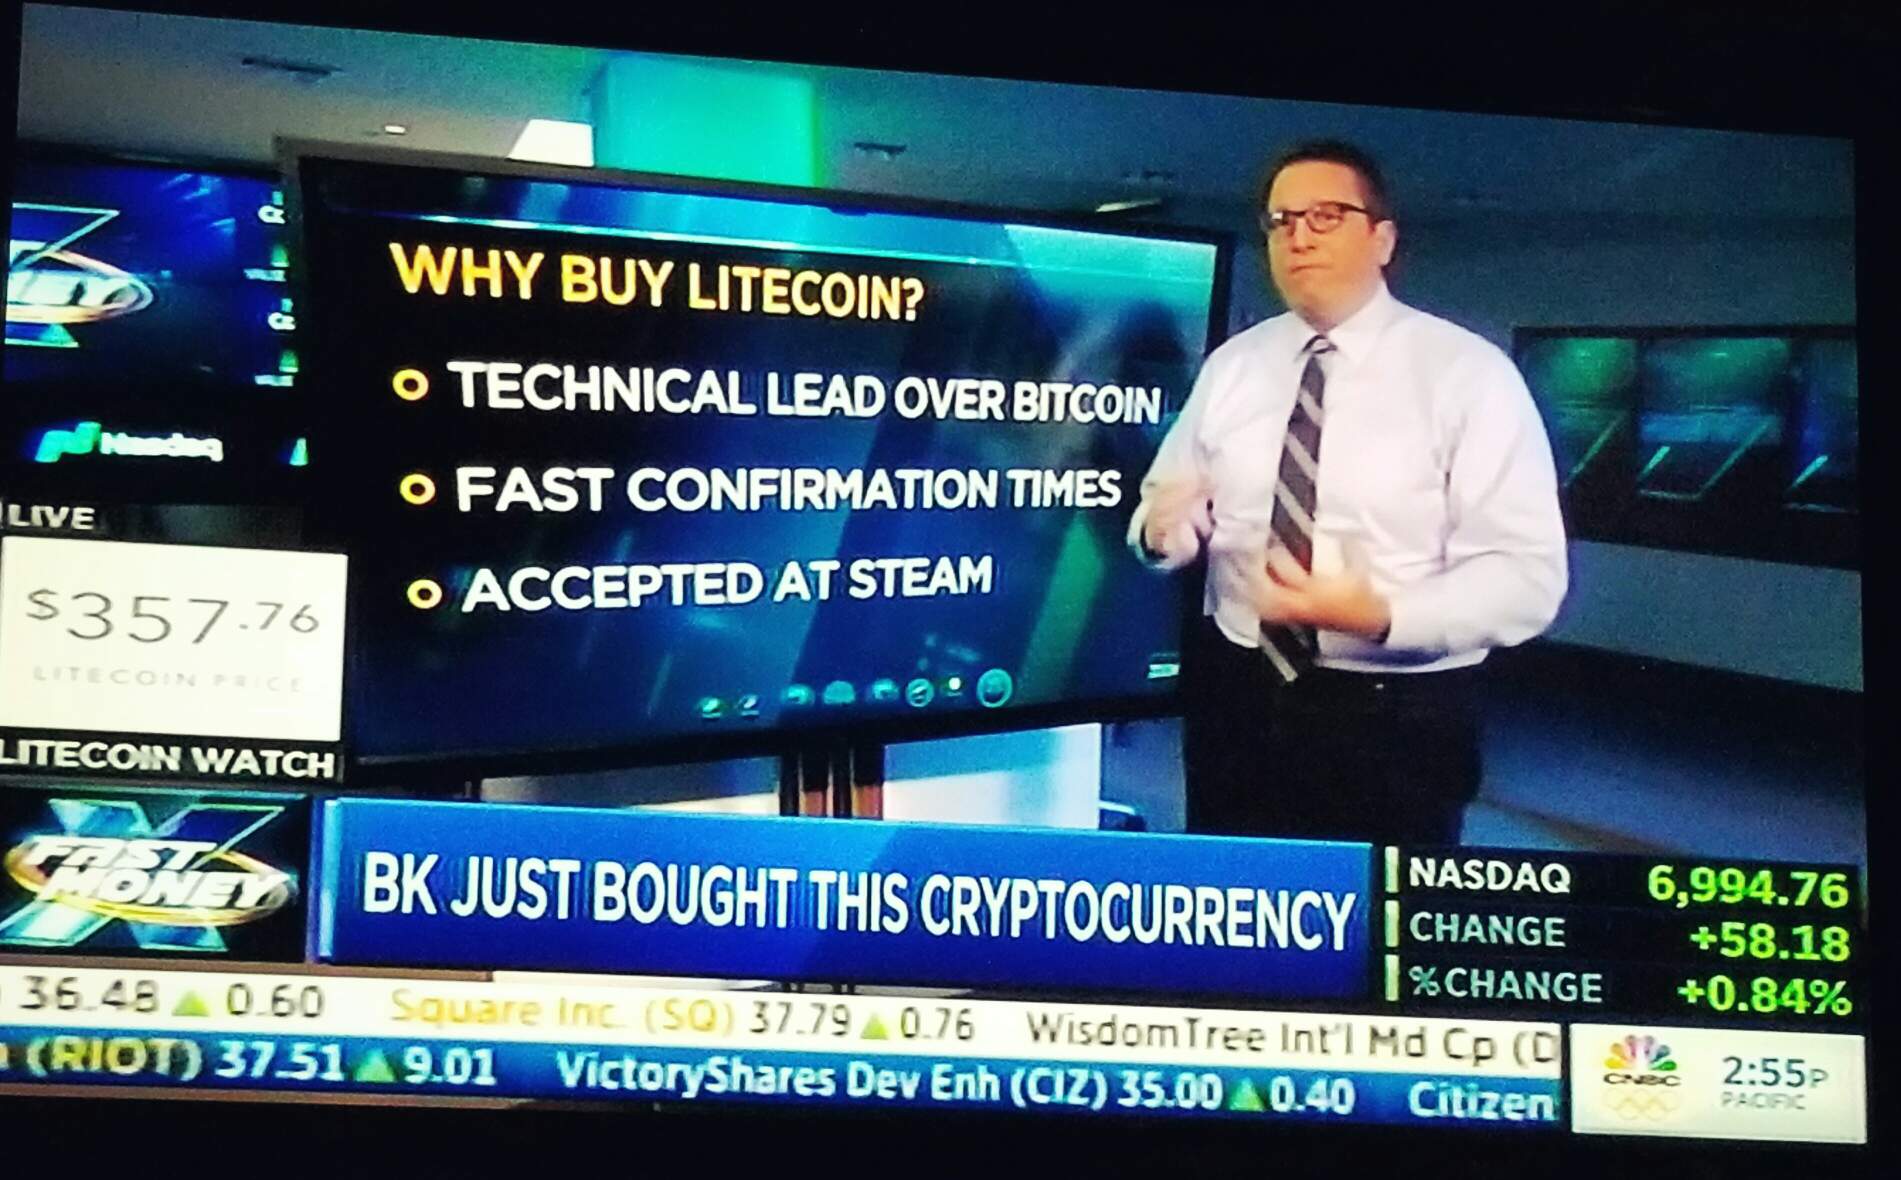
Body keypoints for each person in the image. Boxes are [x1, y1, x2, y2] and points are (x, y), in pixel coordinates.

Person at [1127, 139, 1567, 846]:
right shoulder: (1233, 365)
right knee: (1232, 886)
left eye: (1325, 216)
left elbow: (1527, 580)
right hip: (1236, 687)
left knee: (1377, 902)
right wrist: (1160, 533)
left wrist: (1381, 614)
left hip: (1396, 713)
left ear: (1382, 240)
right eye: (1280, 221)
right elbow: (1166, 504)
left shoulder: (1468, 375)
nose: (1298, 237)